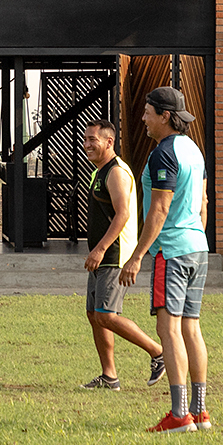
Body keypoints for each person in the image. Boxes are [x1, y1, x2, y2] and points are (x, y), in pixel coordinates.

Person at [121, 87, 212, 433]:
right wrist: (195, 234)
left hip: (170, 252)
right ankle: (199, 412)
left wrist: (137, 256)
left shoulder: (164, 153)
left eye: (148, 112)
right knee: (191, 327)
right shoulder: (194, 150)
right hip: (197, 247)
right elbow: (203, 203)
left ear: (165, 116)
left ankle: (178, 415)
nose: (143, 118)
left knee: (168, 329)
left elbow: (159, 209)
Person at [77, 120, 165, 391]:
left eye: (93, 140)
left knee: (106, 315)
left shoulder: (116, 172)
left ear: (109, 142)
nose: (87, 144)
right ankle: (109, 376)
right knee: (94, 314)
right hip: (102, 256)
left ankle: (159, 353)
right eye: (85, 139)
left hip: (114, 254)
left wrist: (101, 248)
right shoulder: (99, 171)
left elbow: (123, 214)